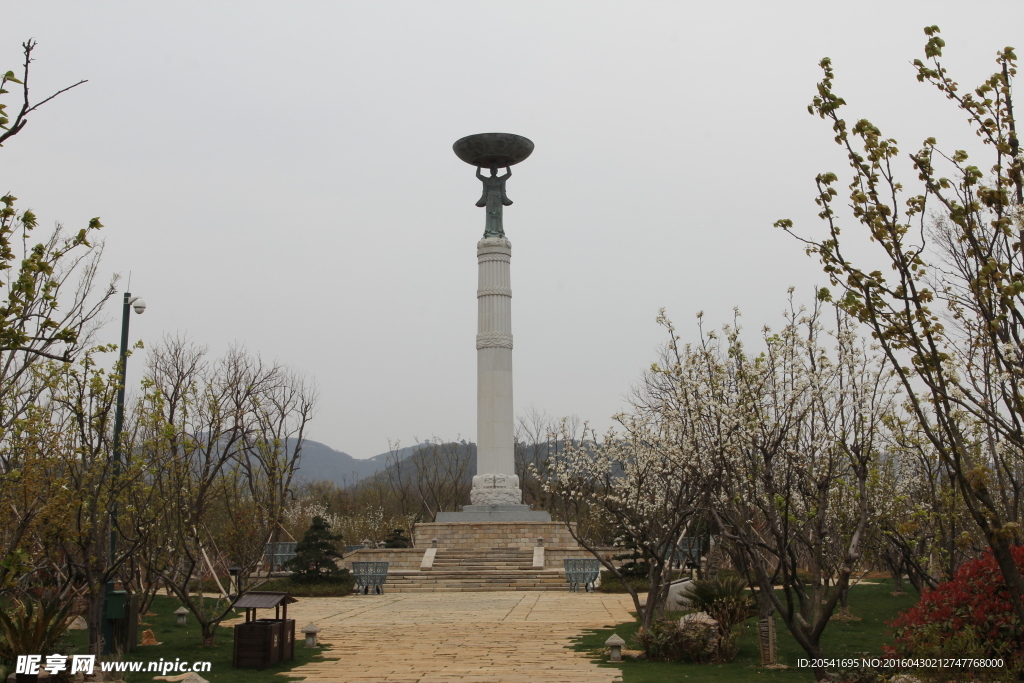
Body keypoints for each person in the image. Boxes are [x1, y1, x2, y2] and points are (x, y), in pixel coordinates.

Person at [475, 165, 512, 238]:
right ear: (490, 171)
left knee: (498, 214)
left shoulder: (501, 179)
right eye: (492, 170)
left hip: (498, 198)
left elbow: (509, 174)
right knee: (490, 214)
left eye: (494, 170)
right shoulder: (486, 180)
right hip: (490, 198)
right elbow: (478, 175)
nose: (493, 171)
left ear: (497, 171)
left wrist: (507, 164)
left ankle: (499, 230)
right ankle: (488, 231)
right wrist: (479, 165)